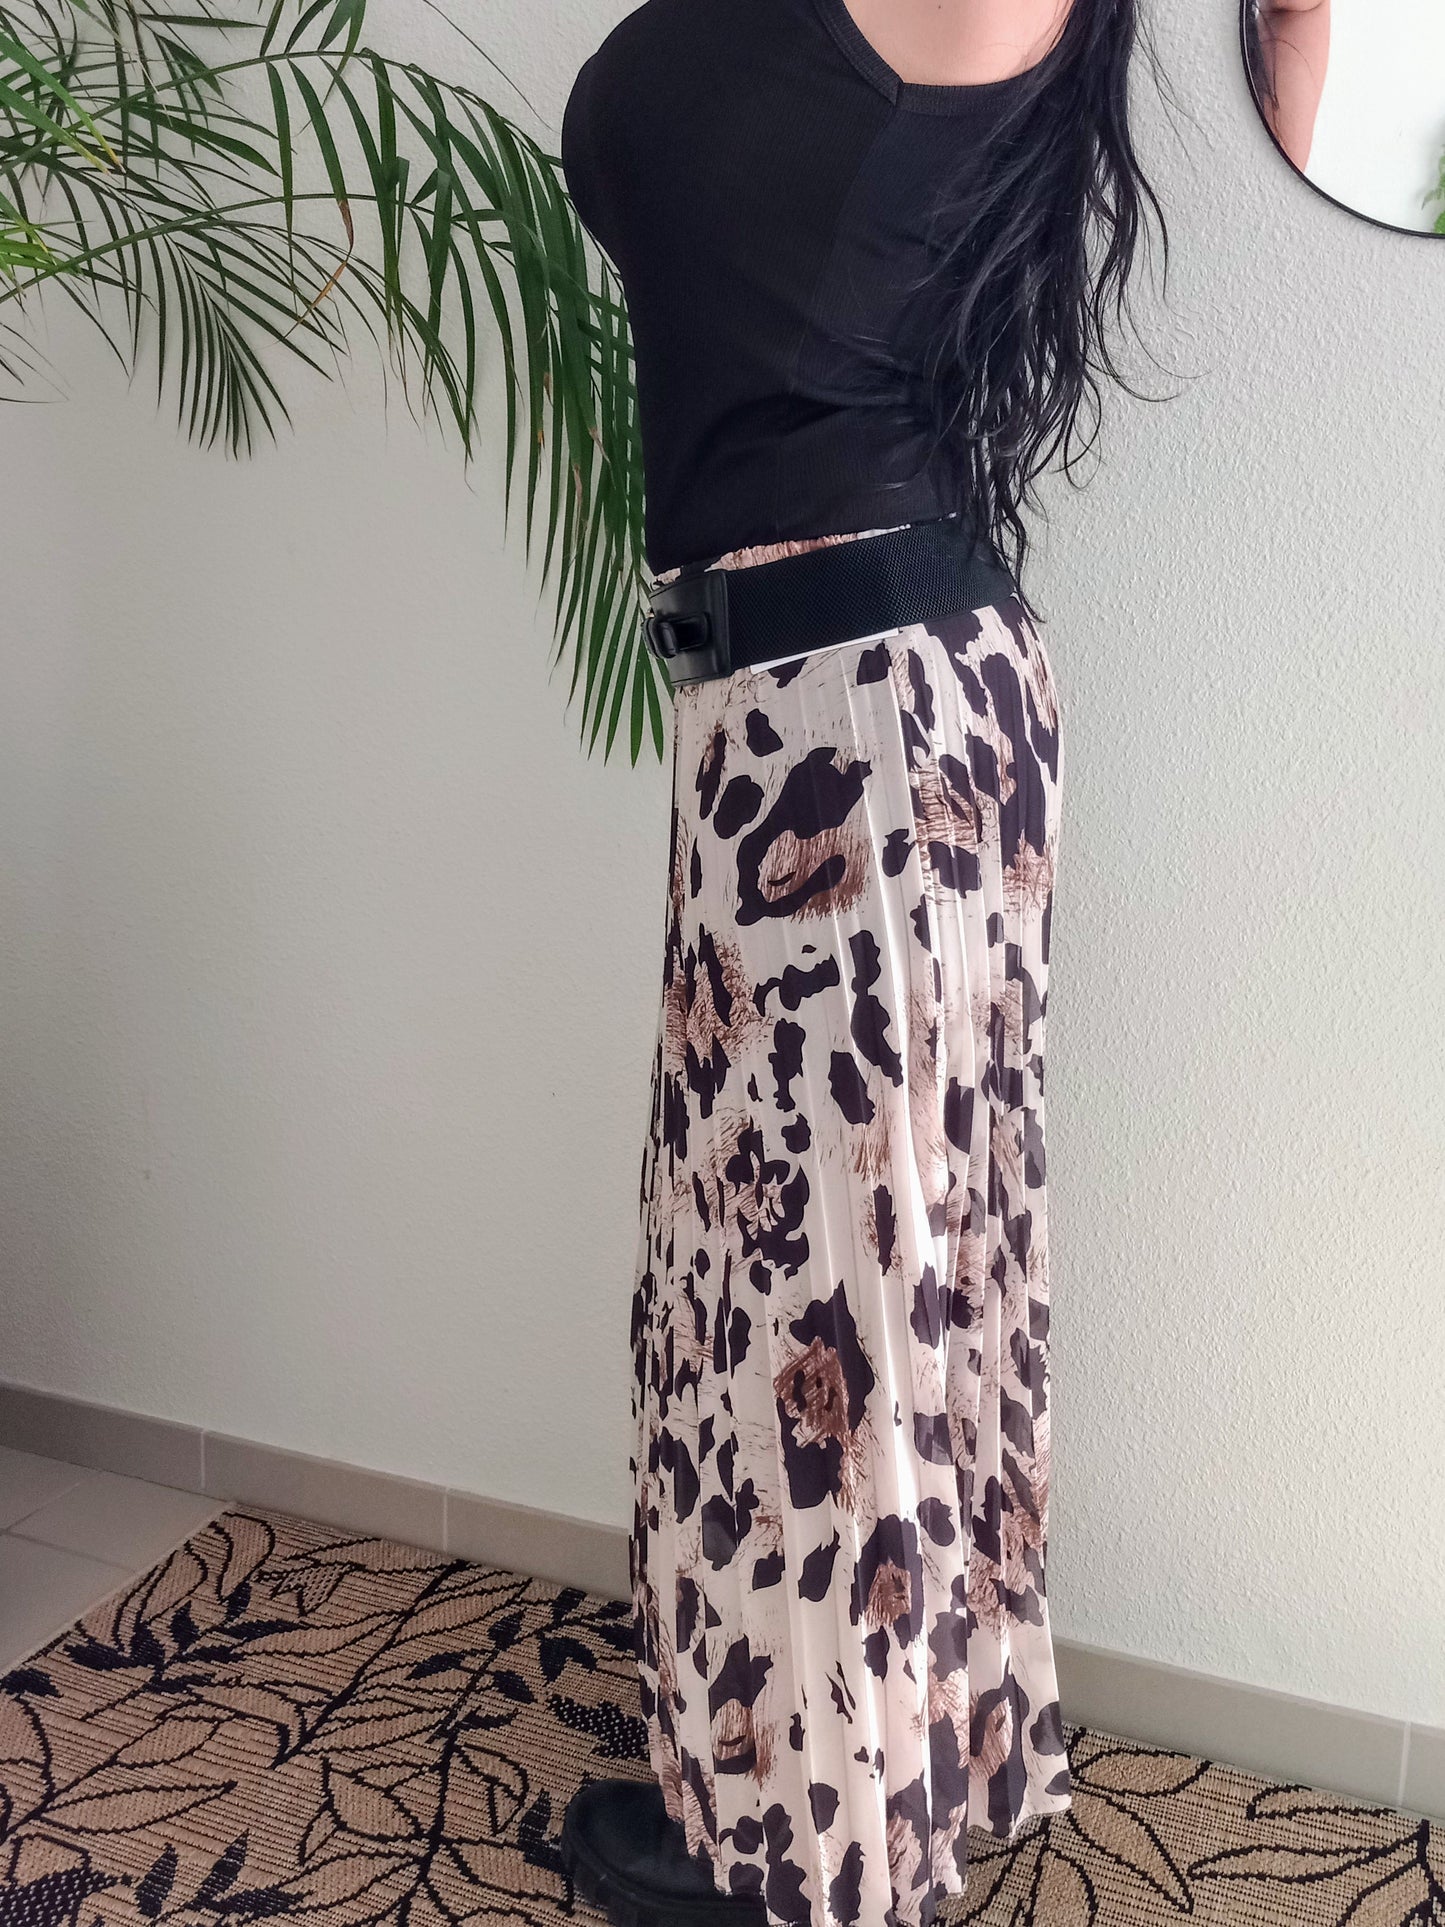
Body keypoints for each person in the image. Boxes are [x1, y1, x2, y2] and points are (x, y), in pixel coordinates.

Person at [556, 2, 1168, 1923]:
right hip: (807, 709)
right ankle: (863, 1770)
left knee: (825, 1289)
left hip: (860, 713)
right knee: (812, 1263)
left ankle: (806, 1855)